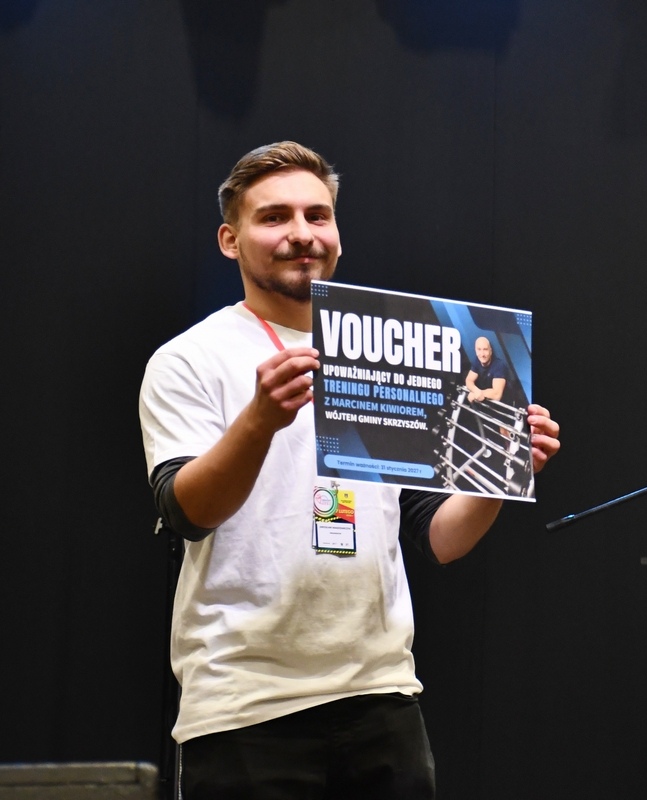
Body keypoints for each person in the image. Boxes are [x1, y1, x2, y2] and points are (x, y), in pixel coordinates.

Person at [138, 141, 562, 799]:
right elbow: (186, 514)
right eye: (274, 217)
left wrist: (501, 472)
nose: (301, 233)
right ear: (230, 240)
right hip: (245, 703)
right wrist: (259, 421)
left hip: (382, 696)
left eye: (318, 215)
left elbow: (440, 538)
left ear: (338, 232)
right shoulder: (190, 359)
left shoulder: (386, 351)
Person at [464, 335, 511, 404]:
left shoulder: (499, 365)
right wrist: (475, 390)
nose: (482, 354)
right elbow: (469, 380)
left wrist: (477, 394)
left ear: (490, 351)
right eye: (479, 349)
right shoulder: (477, 361)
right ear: (475, 351)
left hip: (503, 407)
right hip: (486, 404)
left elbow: (497, 395)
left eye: (485, 349)